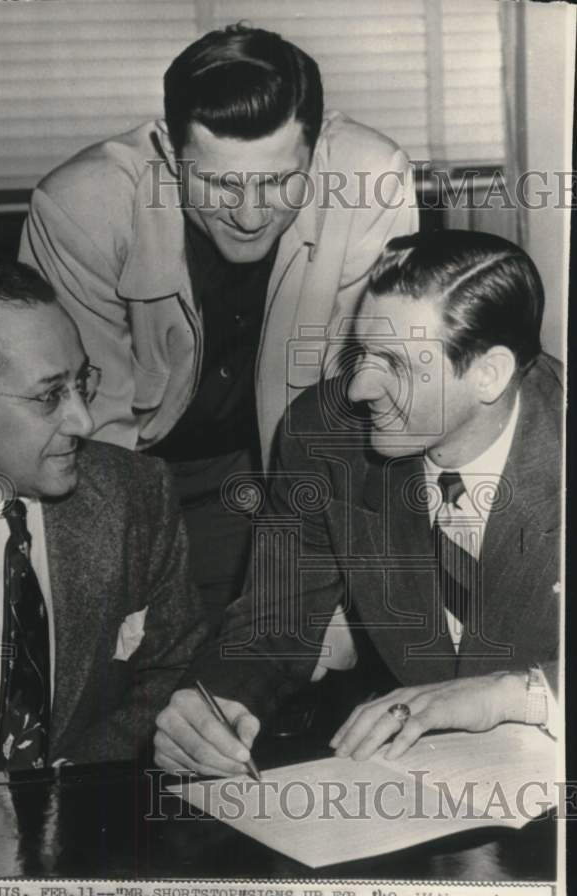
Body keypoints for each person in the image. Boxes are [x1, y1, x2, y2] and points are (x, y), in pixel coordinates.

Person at [19, 23, 418, 630]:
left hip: (291, 469)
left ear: (318, 147)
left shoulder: (370, 180)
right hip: (134, 470)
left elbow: (357, 405)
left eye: (281, 180)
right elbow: (88, 431)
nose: (251, 215)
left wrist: (324, 586)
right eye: (220, 183)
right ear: (167, 148)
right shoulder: (82, 206)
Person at [154, 229, 561, 776]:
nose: (358, 389)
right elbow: (277, 619)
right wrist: (217, 704)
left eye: (395, 363)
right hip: (419, 784)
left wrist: (511, 695)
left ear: (488, 373)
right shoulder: (323, 434)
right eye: (362, 353)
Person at [0, 258, 207, 785]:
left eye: (82, 382)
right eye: (50, 396)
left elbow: (172, 666)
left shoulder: (136, 493)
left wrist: (69, 781)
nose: (84, 420)